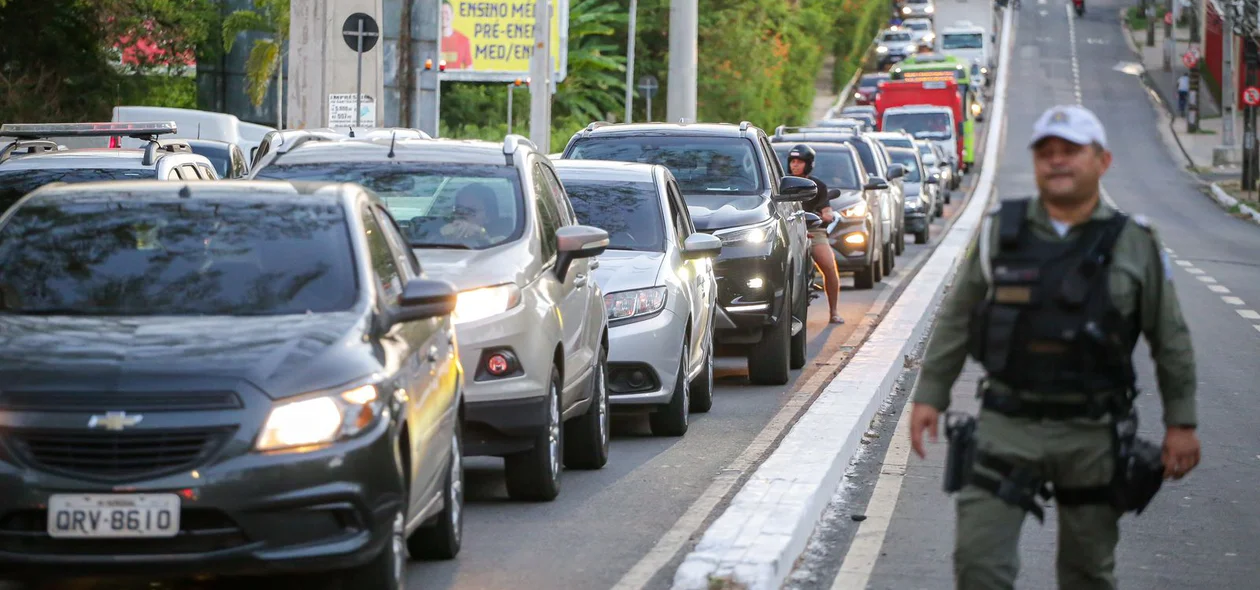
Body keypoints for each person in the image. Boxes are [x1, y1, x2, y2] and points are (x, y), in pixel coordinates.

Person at [907, 105, 1200, 589]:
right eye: (1047, 153)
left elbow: (1170, 338)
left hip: (1091, 433)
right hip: (1007, 425)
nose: (1058, 162)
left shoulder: (1135, 243)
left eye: (1071, 151)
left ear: (1102, 161)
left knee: (1087, 574)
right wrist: (930, 396)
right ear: (1036, 162)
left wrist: (1181, 423)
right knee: (979, 565)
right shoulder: (1001, 231)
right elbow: (959, 317)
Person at [787, 144, 844, 324]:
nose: (794, 165)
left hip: (814, 230)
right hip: (789, 231)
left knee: (829, 266)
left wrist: (826, 215)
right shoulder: (783, 183)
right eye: (792, 162)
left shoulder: (818, 185)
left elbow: (827, 210)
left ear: (809, 164)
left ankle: (834, 311)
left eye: (799, 162)